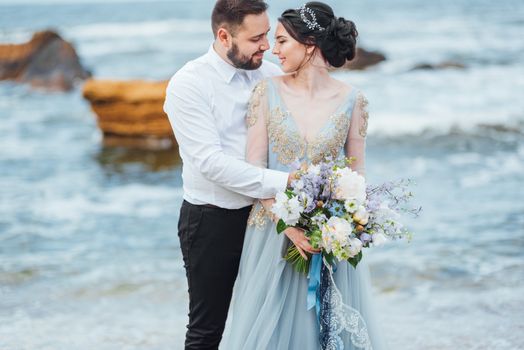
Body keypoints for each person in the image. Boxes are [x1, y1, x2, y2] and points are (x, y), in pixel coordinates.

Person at [220, 2, 387, 349]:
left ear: (309, 44)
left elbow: (357, 173)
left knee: (325, 332)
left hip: (330, 239)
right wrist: (292, 228)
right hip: (271, 234)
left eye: (282, 41)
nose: (273, 49)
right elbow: (255, 172)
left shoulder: (354, 100)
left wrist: (346, 226)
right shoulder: (266, 92)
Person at [163, 1, 295, 349]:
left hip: (270, 217)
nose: (266, 46)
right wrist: (285, 183)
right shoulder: (188, 84)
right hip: (211, 220)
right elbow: (210, 162)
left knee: (272, 318)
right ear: (224, 36)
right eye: (256, 38)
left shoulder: (270, 76)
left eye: (267, 35)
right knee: (208, 328)